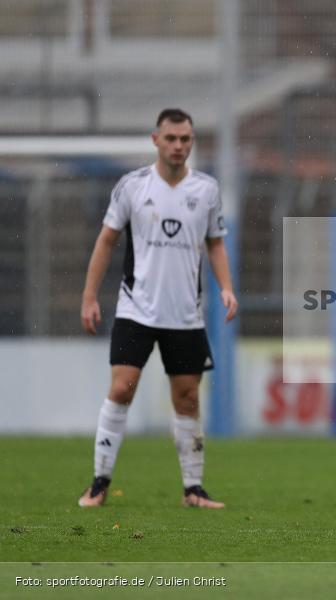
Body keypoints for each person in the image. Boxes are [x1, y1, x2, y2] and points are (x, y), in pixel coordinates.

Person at [78, 108, 237, 509]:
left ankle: (193, 489)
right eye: (172, 138)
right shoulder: (132, 186)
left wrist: (227, 288)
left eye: (186, 139)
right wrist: (89, 296)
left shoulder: (206, 190)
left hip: (185, 313)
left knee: (187, 398)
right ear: (156, 140)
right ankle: (99, 482)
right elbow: (106, 241)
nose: (179, 146)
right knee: (121, 388)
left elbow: (215, 243)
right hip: (137, 309)